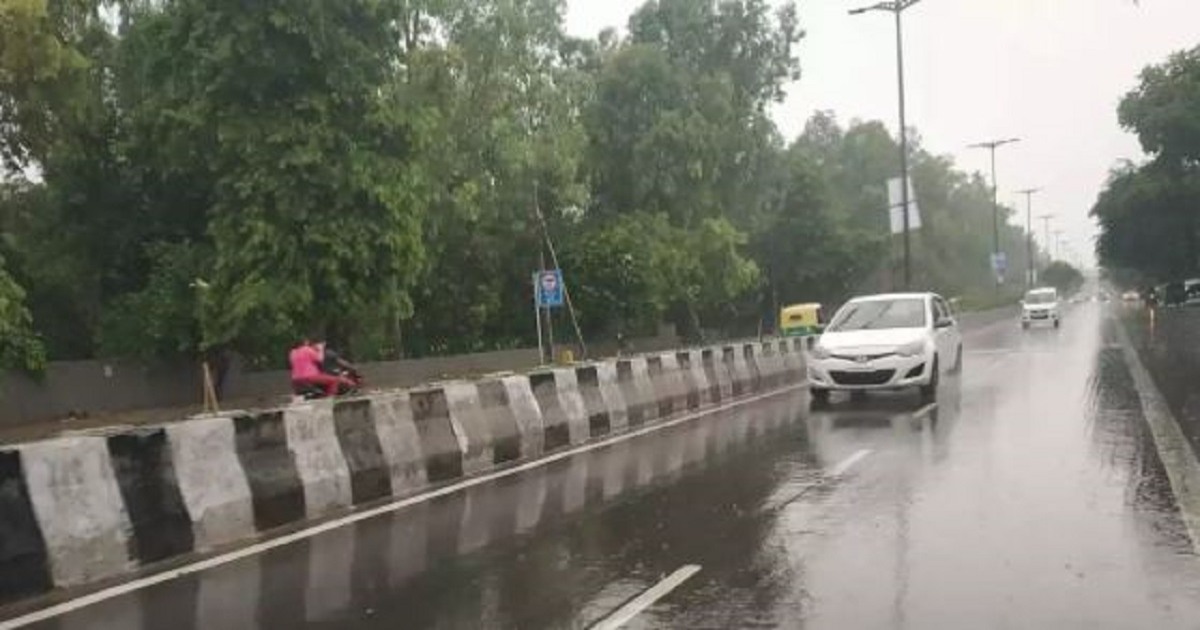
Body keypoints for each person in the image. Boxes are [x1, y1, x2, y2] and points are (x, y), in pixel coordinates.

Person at [289, 334, 354, 397]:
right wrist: (321, 349)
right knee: (335, 381)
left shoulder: (293, 352)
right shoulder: (307, 349)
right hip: (310, 377)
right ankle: (330, 398)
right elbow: (320, 359)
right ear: (305, 342)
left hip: (296, 379)